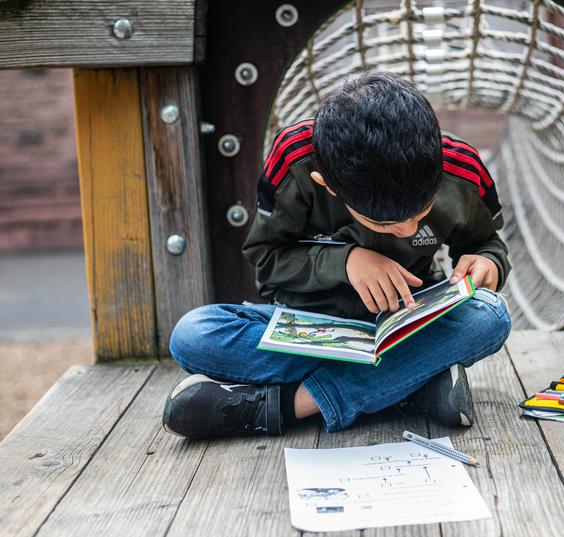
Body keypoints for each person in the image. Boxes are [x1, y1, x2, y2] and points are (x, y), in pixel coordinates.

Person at [162, 71, 512, 438]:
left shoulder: (462, 168)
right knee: (193, 335)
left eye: (421, 214)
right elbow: (267, 262)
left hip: (407, 326)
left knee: (491, 315)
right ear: (326, 184)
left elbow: (486, 244)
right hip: (310, 326)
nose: (409, 231)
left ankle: (289, 406)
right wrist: (345, 262)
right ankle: (410, 382)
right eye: (385, 224)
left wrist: (487, 262)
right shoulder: (294, 161)